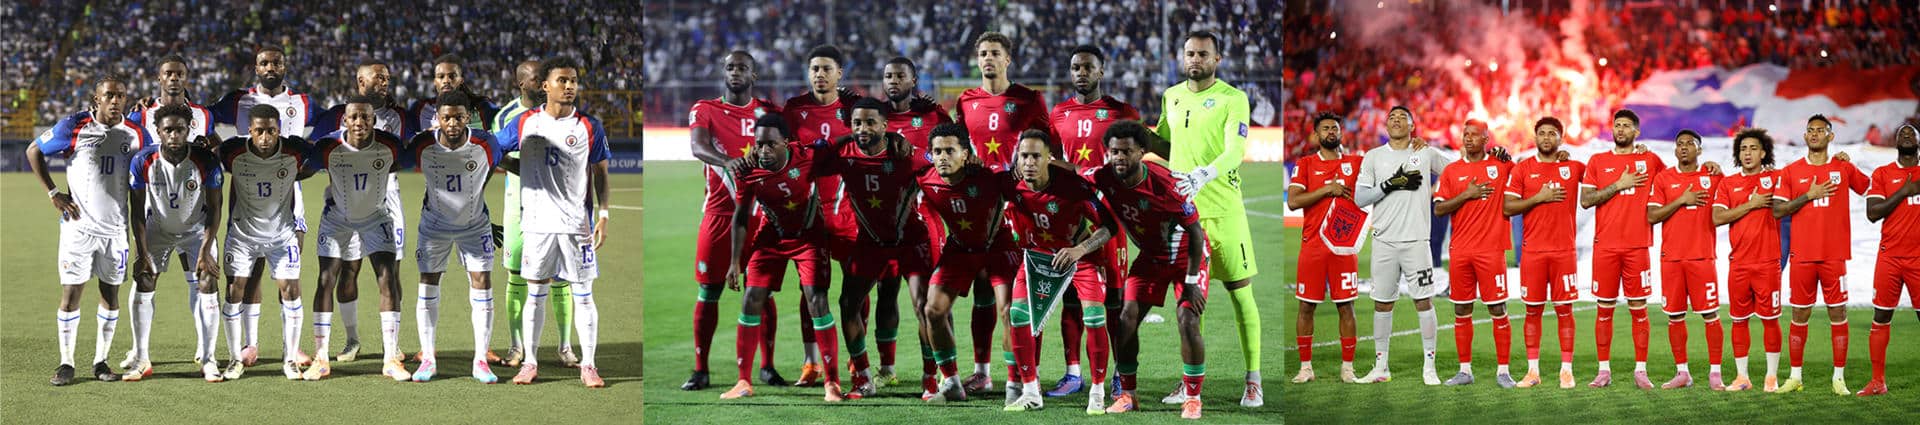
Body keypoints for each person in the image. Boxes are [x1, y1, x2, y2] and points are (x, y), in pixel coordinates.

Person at [1156, 31, 1263, 404]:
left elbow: (1235, 150)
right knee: (1189, 300)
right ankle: (1189, 381)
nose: (1195, 59)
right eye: (1189, 53)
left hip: (1224, 212)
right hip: (1186, 217)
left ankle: (1254, 380)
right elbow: (1164, 145)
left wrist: (1204, 173)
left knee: (1241, 295)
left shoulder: (1234, 99)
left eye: (1203, 54)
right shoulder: (1171, 96)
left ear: (1217, 59)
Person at [497, 57, 611, 388]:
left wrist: (604, 214)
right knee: (535, 294)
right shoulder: (525, 122)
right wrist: (516, 167)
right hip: (536, 225)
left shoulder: (589, 126)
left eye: (573, 80)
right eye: (562, 80)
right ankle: (530, 363)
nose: (570, 86)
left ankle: (588, 365)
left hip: (577, 226)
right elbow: (494, 148)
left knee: (584, 295)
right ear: (545, 85)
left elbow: (601, 173)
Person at [717, 114, 845, 401]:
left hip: (809, 236)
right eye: (759, 144)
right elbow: (740, 216)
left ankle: (832, 383)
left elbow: (840, 145)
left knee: (817, 300)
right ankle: (743, 382)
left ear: (786, 143)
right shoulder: (748, 170)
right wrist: (735, 262)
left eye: (770, 144)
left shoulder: (807, 155)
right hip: (771, 236)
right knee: (751, 297)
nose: (763, 150)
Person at [1090, 120, 1211, 419]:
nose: (1119, 157)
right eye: (1114, 152)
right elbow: (1075, 177)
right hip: (1151, 257)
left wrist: (1192, 282)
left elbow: (1196, 232)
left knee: (1187, 319)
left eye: (1126, 152)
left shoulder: (1166, 185)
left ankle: (1192, 398)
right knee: (1126, 319)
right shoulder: (1105, 176)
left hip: (1185, 254)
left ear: (1141, 152)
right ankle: (1128, 395)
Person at [29, 75, 146, 386]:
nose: (115, 100)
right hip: (78, 229)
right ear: (97, 99)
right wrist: (54, 193)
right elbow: (34, 150)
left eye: (120, 95)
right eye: (109, 95)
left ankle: (100, 361)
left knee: (110, 294)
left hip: (116, 231)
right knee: (71, 294)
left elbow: (150, 164)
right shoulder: (74, 126)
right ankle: (66, 362)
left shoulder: (136, 133)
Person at [684, 51, 782, 390]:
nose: (735, 72)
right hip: (719, 214)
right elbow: (698, 146)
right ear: (723, 73)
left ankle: (768, 367)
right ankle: (701, 370)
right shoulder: (705, 109)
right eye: (730, 67)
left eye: (742, 68)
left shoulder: (769, 112)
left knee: (762, 291)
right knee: (709, 289)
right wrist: (727, 161)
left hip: (760, 215)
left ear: (754, 75)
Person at [403, 91, 507, 383]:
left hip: (474, 225)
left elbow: (500, 163)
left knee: (482, 282)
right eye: (446, 117)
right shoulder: (423, 144)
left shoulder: (486, 143)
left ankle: (480, 361)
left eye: (459, 117)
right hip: (434, 226)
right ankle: (428, 358)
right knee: (428, 282)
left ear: (467, 117)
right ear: (437, 118)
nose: (452, 123)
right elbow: (393, 161)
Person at [306, 94, 408, 381]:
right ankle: (321, 358)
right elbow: (304, 167)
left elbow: (407, 160)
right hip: (337, 219)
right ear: (345, 120)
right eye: (354, 117)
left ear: (373, 120)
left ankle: (390, 358)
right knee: (326, 279)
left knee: (387, 278)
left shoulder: (389, 145)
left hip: (376, 217)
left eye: (365, 117)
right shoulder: (329, 146)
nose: (360, 122)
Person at [214, 104, 318, 381]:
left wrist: (298, 173)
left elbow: (320, 157)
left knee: (290, 289)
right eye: (259, 131)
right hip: (242, 236)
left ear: (278, 130)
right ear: (249, 130)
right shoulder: (232, 151)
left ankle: (290, 359)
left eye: (271, 131)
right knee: (234, 290)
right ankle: (235, 359)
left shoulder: (294, 150)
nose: (265, 137)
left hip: (281, 236)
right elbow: (211, 156)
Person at [126, 104, 226, 382]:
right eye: (168, 130)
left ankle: (208, 359)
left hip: (196, 230)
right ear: (158, 131)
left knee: (208, 280)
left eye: (179, 129)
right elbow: (137, 211)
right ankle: (142, 358)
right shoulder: (143, 160)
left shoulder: (206, 160)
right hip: (158, 227)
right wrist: (142, 252)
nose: (173, 135)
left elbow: (216, 208)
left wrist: (206, 250)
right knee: (144, 279)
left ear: (188, 130)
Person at [1770, 114, 1869, 395]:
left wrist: (1851, 163)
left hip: (1834, 255)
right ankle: (1795, 377)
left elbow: (1870, 189)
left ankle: (1839, 378)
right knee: (1799, 314)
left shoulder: (1843, 167)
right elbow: (1777, 210)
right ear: (1805, 136)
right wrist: (1808, 196)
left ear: (1830, 136)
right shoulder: (1791, 171)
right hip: (1802, 255)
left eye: (1820, 130)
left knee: (1838, 312)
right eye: (1810, 130)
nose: (1814, 134)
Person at [1431, 119, 1516, 387]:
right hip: (1461, 251)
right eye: (1465, 134)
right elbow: (1439, 209)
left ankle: (1503, 371)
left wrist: (1508, 156)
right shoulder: (1452, 171)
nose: (1468, 138)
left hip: (1491, 251)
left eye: (1475, 135)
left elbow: (1526, 173)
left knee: (1498, 308)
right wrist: (1466, 195)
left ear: (1486, 139)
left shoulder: (1500, 166)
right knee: (1461, 309)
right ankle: (1464, 371)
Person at [1502, 117, 1584, 389]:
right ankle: (1532, 371)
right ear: (1535, 137)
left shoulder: (1573, 167)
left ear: (1561, 139)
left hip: (1564, 253)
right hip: (1533, 252)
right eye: (1542, 133)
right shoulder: (1523, 169)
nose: (1547, 137)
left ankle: (1566, 371)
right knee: (1532, 311)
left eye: (1552, 133)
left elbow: (1600, 178)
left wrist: (1638, 152)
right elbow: (1508, 208)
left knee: (1565, 310)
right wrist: (1539, 198)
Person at [1646, 130, 1726, 390]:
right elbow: (1652, 216)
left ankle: (1715, 373)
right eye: (1679, 144)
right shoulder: (1663, 178)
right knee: (1675, 316)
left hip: (1702, 257)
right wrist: (1682, 199)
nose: (1683, 147)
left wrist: (1720, 169)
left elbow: (1730, 198)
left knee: (1710, 315)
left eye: (1690, 144)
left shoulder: (1713, 177)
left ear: (1699, 150)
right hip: (1672, 258)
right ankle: (1682, 373)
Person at [1288, 113, 1362, 385]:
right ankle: (1305, 368)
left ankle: (1348, 368)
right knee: (1306, 306)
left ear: (1341, 133)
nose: (1331, 131)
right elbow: (1294, 201)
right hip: (1313, 246)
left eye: (1335, 128)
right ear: (1316, 135)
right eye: (1326, 128)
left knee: (1346, 306)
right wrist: (1327, 189)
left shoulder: (1356, 163)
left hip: (1343, 248)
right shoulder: (1305, 164)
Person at [1710, 128, 1786, 392]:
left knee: (1770, 319)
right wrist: (1751, 205)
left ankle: (1771, 378)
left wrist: (1838, 158)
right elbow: (1717, 218)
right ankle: (1742, 377)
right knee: (1739, 320)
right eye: (1743, 149)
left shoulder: (1776, 178)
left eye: (1753, 148)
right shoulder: (1728, 184)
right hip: (1739, 264)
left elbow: (1805, 173)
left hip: (1767, 263)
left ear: (1763, 153)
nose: (1748, 153)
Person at [1859, 124, 1920, 397]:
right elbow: (1873, 213)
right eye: (1901, 134)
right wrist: (1904, 192)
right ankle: (1877, 382)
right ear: (1895, 143)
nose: (1906, 136)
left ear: (1918, 142)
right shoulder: (1882, 173)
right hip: (1890, 257)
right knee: (1881, 316)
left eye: (1911, 133)